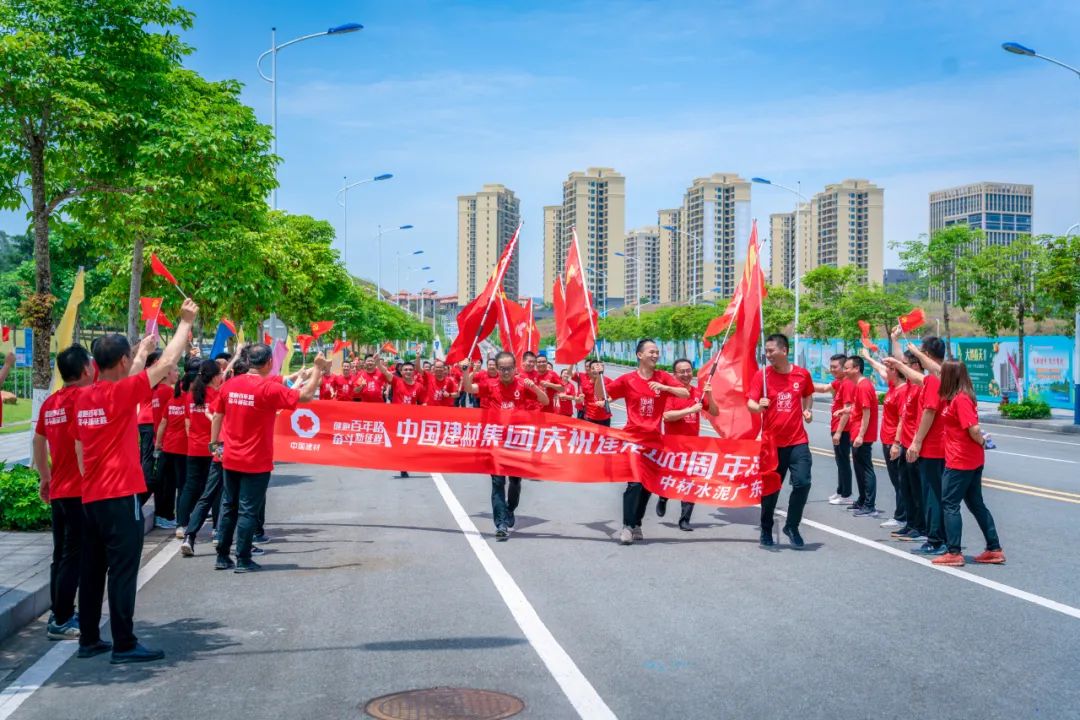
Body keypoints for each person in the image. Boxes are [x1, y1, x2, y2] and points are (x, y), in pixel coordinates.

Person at [73, 297, 198, 664]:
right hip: (120, 495)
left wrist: (142, 350)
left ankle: (89, 639)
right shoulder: (122, 393)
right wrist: (186, 322)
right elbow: (170, 363)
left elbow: (134, 377)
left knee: (92, 571)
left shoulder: (85, 398)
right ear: (123, 362)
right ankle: (124, 643)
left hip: (91, 497)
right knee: (123, 571)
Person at [210, 345, 326, 573]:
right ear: (269, 363)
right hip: (256, 460)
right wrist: (317, 369)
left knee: (229, 506)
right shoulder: (268, 388)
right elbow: (306, 396)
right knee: (247, 510)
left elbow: (217, 414)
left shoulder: (230, 384)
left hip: (230, 458)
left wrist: (215, 444)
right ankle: (243, 559)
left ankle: (222, 557)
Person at [32, 344, 96, 641]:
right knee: (74, 555)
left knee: (61, 554)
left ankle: (60, 613)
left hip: (59, 489)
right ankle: (62, 618)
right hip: (79, 490)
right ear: (85, 369)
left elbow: (38, 440)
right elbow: (79, 444)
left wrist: (45, 477)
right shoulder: (83, 398)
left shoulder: (52, 402)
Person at [598, 339, 689, 545]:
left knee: (648, 485)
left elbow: (685, 392)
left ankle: (637, 523)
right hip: (633, 439)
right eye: (651, 352)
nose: (656, 355)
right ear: (640, 355)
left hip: (654, 440)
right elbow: (602, 394)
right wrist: (598, 376)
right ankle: (627, 526)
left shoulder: (663, 376)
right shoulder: (628, 379)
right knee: (635, 482)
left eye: (657, 352)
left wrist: (665, 387)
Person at [461, 352, 548, 540]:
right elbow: (469, 388)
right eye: (503, 368)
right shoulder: (490, 385)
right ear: (497, 369)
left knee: (515, 481)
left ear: (515, 369)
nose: (506, 372)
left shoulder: (523, 385)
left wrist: (536, 388)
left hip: (517, 441)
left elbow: (545, 401)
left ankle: (510, 509)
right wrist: (465, 370)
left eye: (509, 368)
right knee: (498, 482)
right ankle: (500, 524)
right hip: (496, 442)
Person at [932, 360, 1005, 567]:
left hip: (961, 460)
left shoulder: (961, 399)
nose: (939, 376)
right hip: (967, 459)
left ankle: (954, 552)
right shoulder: (954, 397)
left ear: (950, 377)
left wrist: (983, 441)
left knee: (949, 503)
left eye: (942, 373)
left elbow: (973, 429)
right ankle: (994, 549)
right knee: (975, 504)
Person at [747, 333, 815, 548]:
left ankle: (792, 526)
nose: (767, 355)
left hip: (797, 441)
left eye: (770, 351)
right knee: (770, 490)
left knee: (803, 483)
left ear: (784, 351)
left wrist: (808, 410)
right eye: (765, 352)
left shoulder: (802, 375)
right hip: (771, 444)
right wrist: (759, 407)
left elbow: (808, 394)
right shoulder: (762, 376)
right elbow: (750, 402)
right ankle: (766, 529)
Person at [657, 358, 718, 531]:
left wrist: (709, 395)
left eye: (688, 370)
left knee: (691, 482)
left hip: (693, 446)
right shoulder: (670, 393)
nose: (685, 374)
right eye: (681, 371)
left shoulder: (698, 393)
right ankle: (663, 497)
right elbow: (667, 416)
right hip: (672, 446)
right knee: (669, 478)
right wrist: (690, 411)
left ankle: (685, 519)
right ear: (674, 374)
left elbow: (714, 412)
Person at [902, 335, 948, 556]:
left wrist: (916, 442)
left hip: (932, 447)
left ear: (927, 356)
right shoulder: (947, 376)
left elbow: (929, 411)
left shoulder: (934, 380)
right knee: (939, 494)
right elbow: (917, 377)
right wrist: (898, 364)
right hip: (942, 446)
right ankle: (945, 538)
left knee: (932, 495)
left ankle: (936, 539)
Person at [178, 360, 224, 557]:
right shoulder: (215, 395)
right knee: (214, 491)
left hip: (194, 447)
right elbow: (219, 420)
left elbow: (188, 423)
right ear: (214, 376)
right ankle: (217, 530)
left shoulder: (190, 395)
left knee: (190, 487)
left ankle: (183, 526)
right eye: (220, 372)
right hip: (214, 448)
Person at [883, 350, 928, 543]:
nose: (902, 369)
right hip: (906, 444)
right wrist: (894, 339)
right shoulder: (908, 385)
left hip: (914, 446)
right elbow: (899, 360)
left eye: (906, 365)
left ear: (916, 367)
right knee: (906, 487)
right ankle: (910, 524)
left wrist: (896, 442)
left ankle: (921, 526)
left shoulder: (921, 385)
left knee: (917, 491)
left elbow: (904, 419)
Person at [861, 349, 907, 530]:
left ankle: (902, 516)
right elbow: (879, 368)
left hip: (895, 442)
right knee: (897, 481)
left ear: (895, 370)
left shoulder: (902, 391)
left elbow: (903, 419)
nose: (884, 371)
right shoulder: (893, 386)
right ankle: (903, 515)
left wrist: (896, 443)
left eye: (888, 368)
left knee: (900, 481)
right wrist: (868, 358)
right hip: (887, 440)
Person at [845, 355, 880, 518]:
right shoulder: (859, 385)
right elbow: (858, 409)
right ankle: (862, 499)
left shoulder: (864, 386)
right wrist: (845, 411)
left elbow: (867, 412)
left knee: (865, 468)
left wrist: (861, 435)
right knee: (858, 467)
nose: (845, 371)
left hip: (862, 435)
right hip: (856, 432)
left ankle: (869, 504)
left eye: (847, 367)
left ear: (856, 369)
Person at [816, 354, 853, 505]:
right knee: (839, 461)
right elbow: (824, 388)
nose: (831, 370)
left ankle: (846, 495)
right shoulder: (839, 382)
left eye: (835, 367)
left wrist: (838, 431)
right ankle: (840, 491)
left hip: (843, 429)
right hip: (836, 426)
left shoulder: (848, 384)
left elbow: (847, 409)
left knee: (843, 461)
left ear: (844, 368)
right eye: (830, 367)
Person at [134, 350, 163, 493]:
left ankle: (144, 479)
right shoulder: (150, 376)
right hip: (150, 419)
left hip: (143, 419)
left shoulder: (143, 374)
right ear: (154, 362)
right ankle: (147, 482)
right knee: (148, 454)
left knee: (145, 453)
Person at [580, 360, 612, 426]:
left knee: (603, 436)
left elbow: (614, 396)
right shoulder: (585, 383)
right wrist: (579, 399)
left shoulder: (608, 381)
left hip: (605, 417)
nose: (595, 370)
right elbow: (580, 399)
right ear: (589, 370)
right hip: (590, 417)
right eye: (593, 368)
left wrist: (605, 402)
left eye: (598, 368)